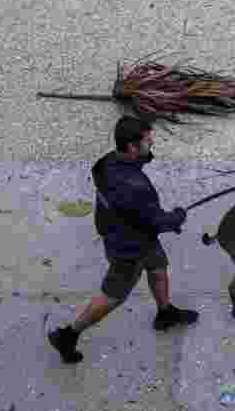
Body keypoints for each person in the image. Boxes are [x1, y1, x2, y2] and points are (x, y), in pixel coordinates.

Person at [48, 115, 198, 363]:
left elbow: (144, 216)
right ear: (131, 147)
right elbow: (155, 220)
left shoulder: (109, 162)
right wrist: (176, 218)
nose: (152, 143)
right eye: (148, 141)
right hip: (128, 248)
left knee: (158, 266)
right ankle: (68, 335)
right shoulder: (133, 186)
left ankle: (165, 312)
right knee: (113, 296)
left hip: (131, 232)